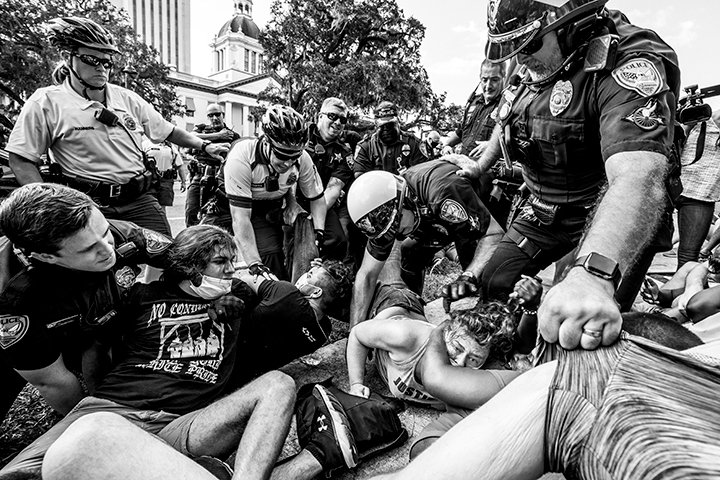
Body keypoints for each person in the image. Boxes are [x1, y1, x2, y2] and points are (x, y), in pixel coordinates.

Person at [1, 225, 360, 480]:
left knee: (279, 385)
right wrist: (97, 395)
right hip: (111, 412)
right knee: (18, 474)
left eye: (232, 263)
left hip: (184, 423)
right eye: (221, 262)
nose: (231, 270)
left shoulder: (237, 296)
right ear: (192, 266)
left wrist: (238, 295)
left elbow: (266, 289)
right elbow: (97, 347)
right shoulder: (141, 298)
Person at [446, 0, 681, 349]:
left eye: (530, 44)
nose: (520, 58)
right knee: (496, 281)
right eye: (513, 47)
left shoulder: (627, 63)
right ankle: (506, 348)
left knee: (578, 319)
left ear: (571, 24)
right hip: (542, 208)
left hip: (604, 214)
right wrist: (481, 165)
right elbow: (507, 115)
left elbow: (639, 176)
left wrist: (593, 275)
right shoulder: (533, 61)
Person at [367, 321, 720, 480]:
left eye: (472, 357)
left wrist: (441, 329)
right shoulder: (551, 384)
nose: (462, 360)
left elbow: (438, 377)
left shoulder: (540, 381)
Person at [4, 17, 228, 237]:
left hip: (139, 198)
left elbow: (168, 131)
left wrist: (205, 145)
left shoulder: (127, 98)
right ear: (67, 57)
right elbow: (21, 158)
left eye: (107, 62)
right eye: (92, 60)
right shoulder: (46, 102)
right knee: (98, 265)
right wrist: (49, 204)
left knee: (171, 259)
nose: (102, 68)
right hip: (87, 203)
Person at [0, 183, 173, 422]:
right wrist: (95, 420)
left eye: (105, 233)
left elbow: (183, 258)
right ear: (45, 256)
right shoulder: (12, 300)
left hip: (90, 319)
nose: (108, 251)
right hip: (30, 331)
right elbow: (51, 382)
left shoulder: (112, 233)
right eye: (89, 249)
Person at [346, 161, 504, 329]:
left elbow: (494, 234)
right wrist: (355, 331)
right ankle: (413, 305)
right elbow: (366, 275)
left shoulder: (441, 194)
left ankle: (492, 318)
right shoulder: (386, 217)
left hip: (479, 209)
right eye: (388, 232)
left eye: (396, 226)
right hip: (431, 216)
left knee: (481, 272)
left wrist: (469, 275)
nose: (395, 235)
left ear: (405, 201)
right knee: (409, 251)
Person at [202, 105, 326, 280]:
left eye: (294, 156)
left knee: (272, 260)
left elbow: (317, 198)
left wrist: (319, 233)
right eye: (282, 155)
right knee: (206, 260)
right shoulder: (243, 154)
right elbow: (241, 219)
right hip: (226, 209)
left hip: (264, 210)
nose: (288, 163)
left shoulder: (303, 159)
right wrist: (255, 264)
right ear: (266, 142)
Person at [233, 257, 354, 383]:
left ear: (316, 292)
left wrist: (270, 283)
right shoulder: (323, 331)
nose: (305, 275)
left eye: (310, 275)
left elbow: (245, 278)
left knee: (240, 287)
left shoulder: (287, 293)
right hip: (252, 372)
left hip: (232, 355)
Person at [296, 97, 356, 261]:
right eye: (332, 116)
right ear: (319, 116)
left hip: (321, 202)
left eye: (342, 119)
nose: (337, 122)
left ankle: (323, 276)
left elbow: (333, 189)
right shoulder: (299, 133)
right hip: (290, 198)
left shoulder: (345, 154)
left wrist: (314, 215)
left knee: (338, 240)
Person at [673, 109, 720, 268]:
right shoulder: (699, 116)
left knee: (687, 258)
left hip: (700, 194)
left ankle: (688, 292)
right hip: (676, 187)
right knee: (645, 250)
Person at [185, 103, 242, 227]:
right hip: (199, 178)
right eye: (211, 115)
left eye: (217, 114)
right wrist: (218, 136)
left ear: (223, 115)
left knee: (219, 217)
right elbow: (189, 137)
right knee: (191, 212)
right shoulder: (200, 129)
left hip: (220, 180)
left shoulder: (233, 135)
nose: (214, 118)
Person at [442, 60, 506, 160]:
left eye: (494, 80)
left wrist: (492, 146)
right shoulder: (473, 102)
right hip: (462, 162)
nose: (488, 86)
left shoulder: (508, 105)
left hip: (488, 167)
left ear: (504, 78)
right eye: (485, 80)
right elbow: (461, 131)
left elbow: (517, 141)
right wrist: (447, 146)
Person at [353, 101, 427, 177]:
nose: (386, 129)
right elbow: (360, 177)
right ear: (376, 126)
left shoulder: (413, 143)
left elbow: (422, 173)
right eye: (382, 126)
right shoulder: (366, 146)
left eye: (390, 125)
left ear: (398, 123)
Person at [143, 138, 188, 212]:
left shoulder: (170, 147)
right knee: (147, 205)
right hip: (149, 180)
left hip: (165, 180)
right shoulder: (145, 144)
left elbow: (179, 165)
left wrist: (183, 182)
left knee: (162, 207)